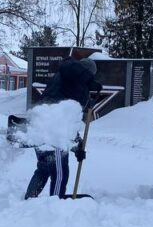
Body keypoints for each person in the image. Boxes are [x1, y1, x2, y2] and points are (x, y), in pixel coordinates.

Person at [24, 46, 103, 199]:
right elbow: (63, 124)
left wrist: (78, 147)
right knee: (60, 172)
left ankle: (30, 200)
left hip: (40, 128)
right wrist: (88, 80)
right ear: (86, 72)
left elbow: (68, 123)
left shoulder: (65, 81)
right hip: (52, 132)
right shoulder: (71, 75)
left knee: (44, 169)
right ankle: (56, 203)